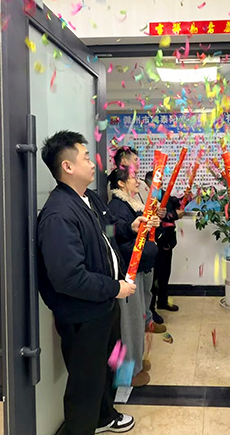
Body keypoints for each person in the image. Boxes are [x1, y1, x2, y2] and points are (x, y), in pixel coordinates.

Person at [37, 131, 157, 434]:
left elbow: (108, 231)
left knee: (106, 368)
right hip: (83, 314)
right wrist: (116, 288)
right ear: (67, 167)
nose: (93, 164)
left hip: (103, 307)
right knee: (85, 382)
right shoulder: (59, 214)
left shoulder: (88, 198)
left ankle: (104, 416)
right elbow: (69, 278)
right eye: (86, 158)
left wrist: (132, 226)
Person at [108, 166, 163, 388]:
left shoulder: (132, 204)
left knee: (137, 320)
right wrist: (135, 231)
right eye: (133, 177)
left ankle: (136, 364)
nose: (138, 181)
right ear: (120, 183)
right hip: (127, 272)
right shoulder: (116, 206)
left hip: (137, 268)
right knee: (129, 325)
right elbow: (113, 236)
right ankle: (127, 374)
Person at [144, 171, 186, 324]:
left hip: (168, 241)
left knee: (164, 274)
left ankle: (162, 301)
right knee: (154, 278)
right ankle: (151, 309)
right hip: (154, 243)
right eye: (156, 184)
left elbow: (177, 208)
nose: (159, 187)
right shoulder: (145, 197)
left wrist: (173, 210)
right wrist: (170, 214)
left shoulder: (164, 195)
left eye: (161, 183)